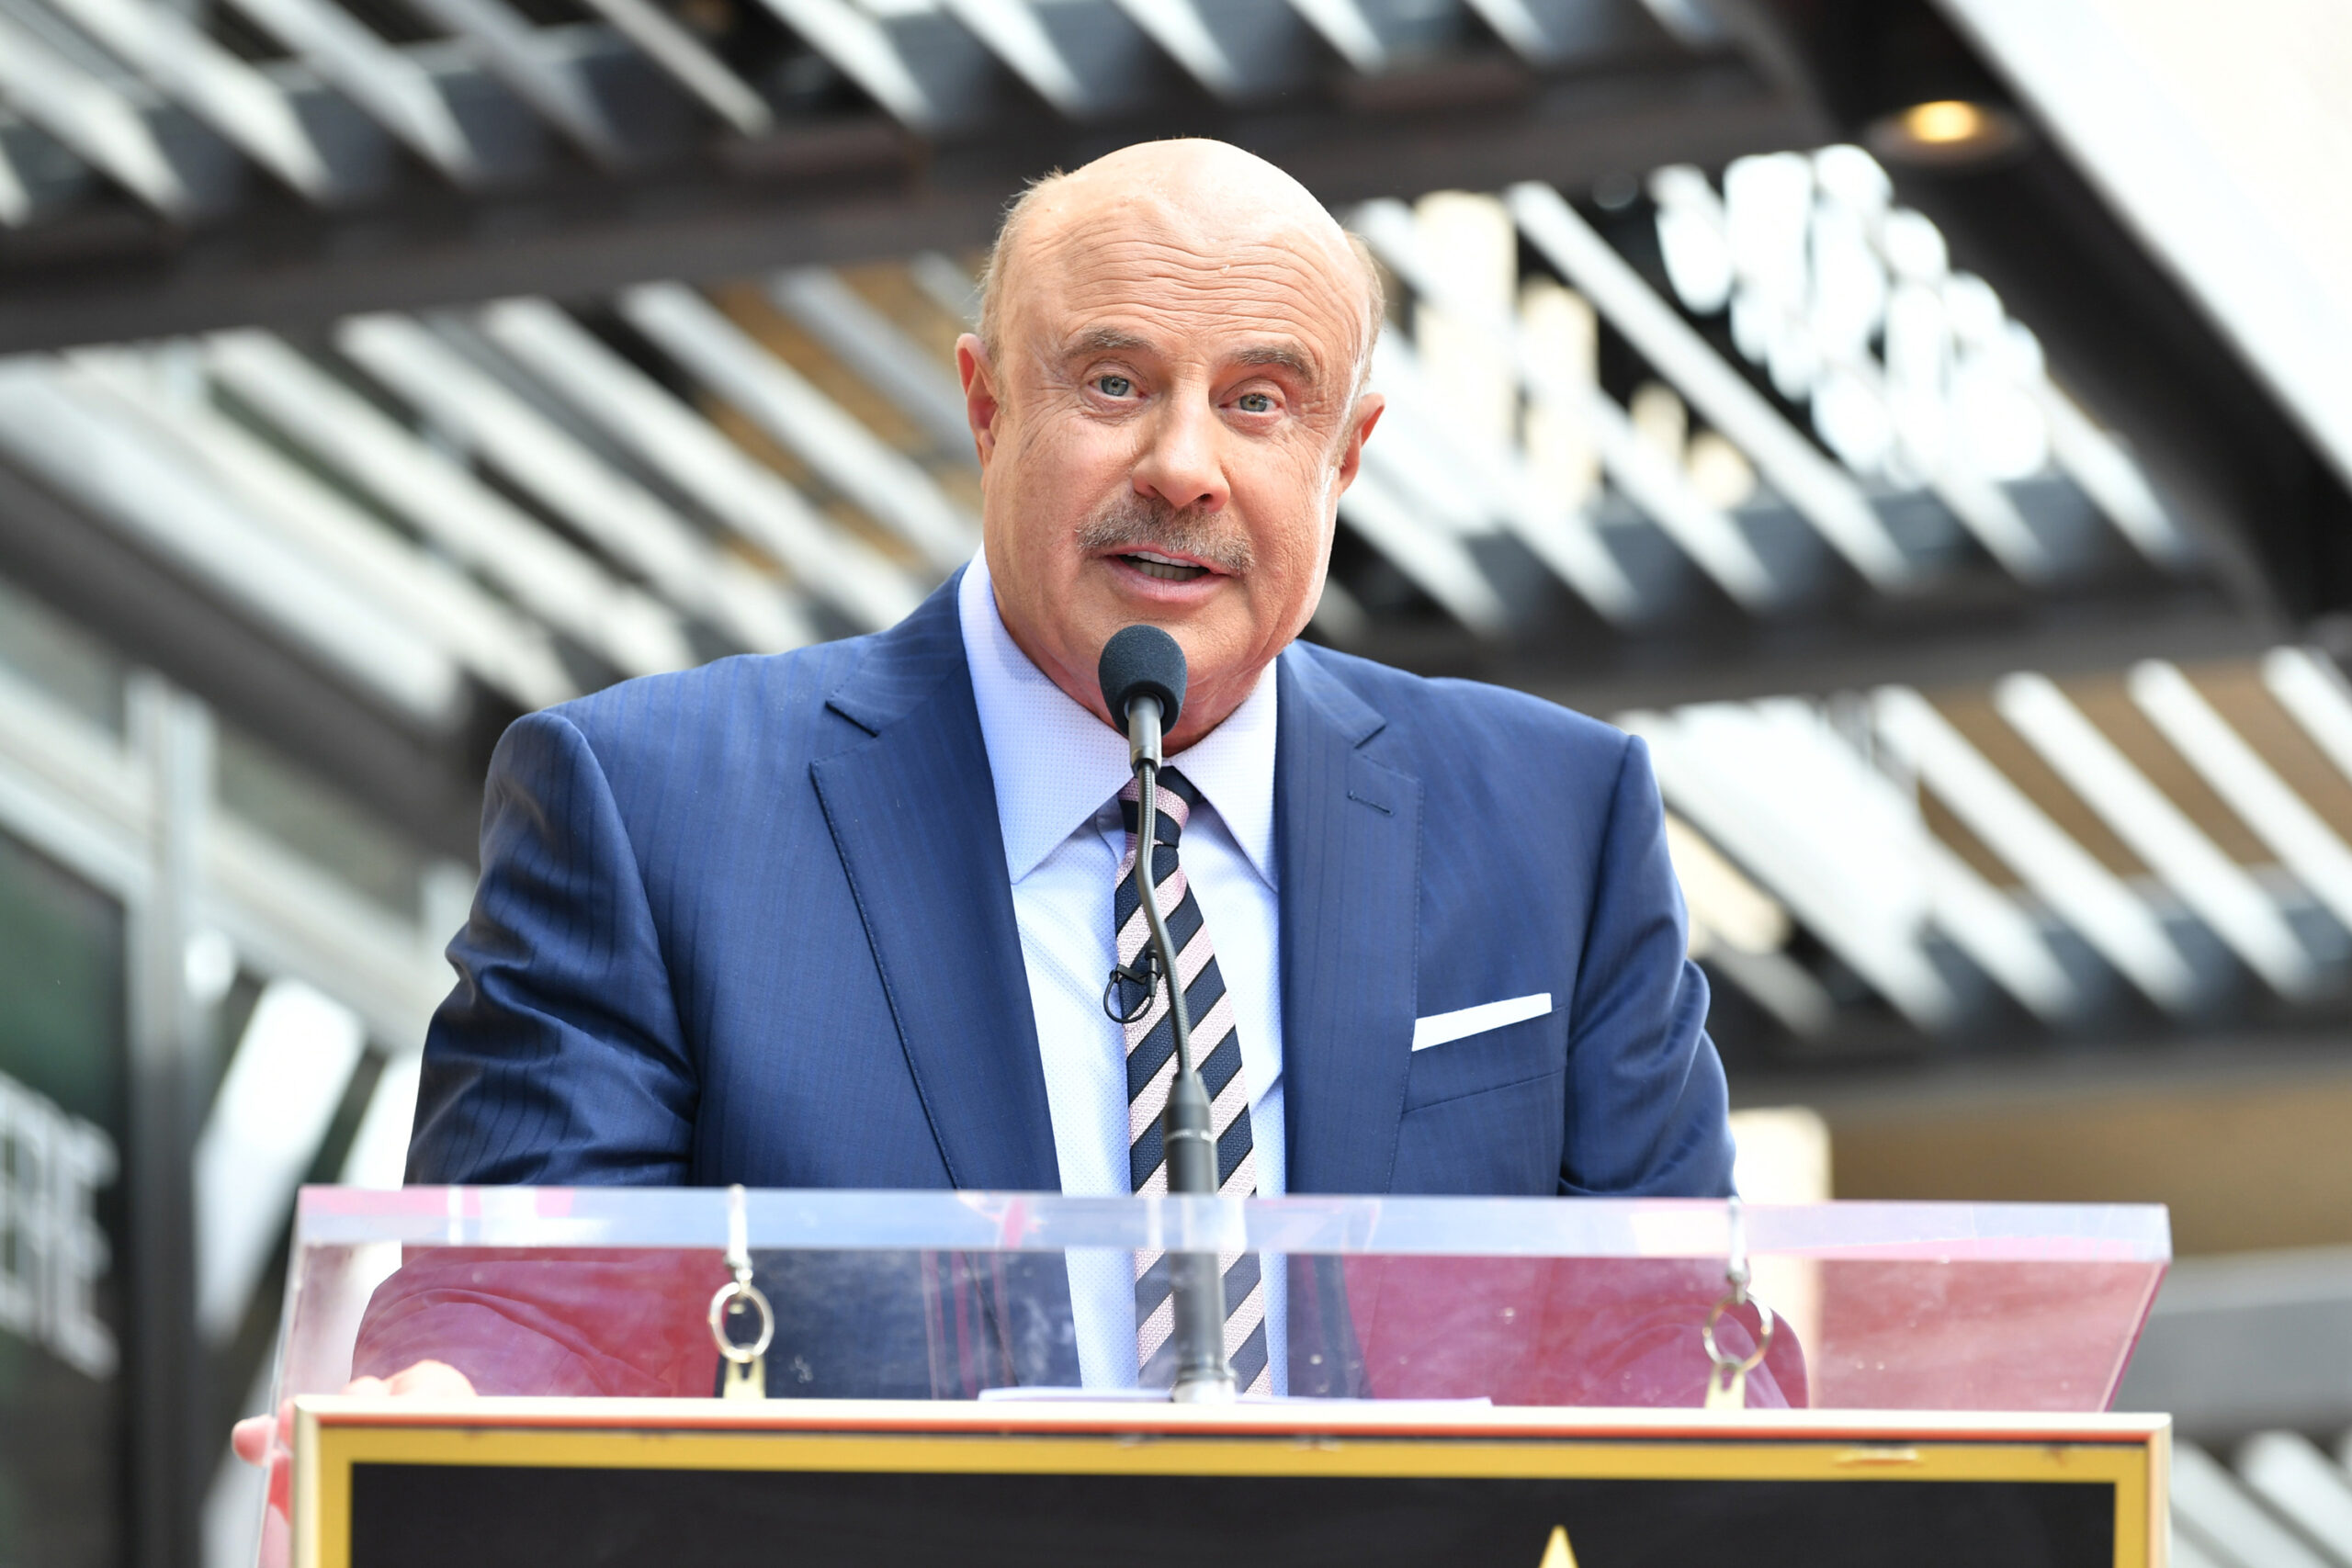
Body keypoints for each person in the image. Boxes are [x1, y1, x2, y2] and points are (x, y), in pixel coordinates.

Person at [243, 139, 1736, 1456]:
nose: (1185, 465)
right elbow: (528, 1303)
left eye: (1261, 401)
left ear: (1346, 454)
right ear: (984, 404)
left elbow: (1687, 1360)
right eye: (1112, 381)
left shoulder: (1561, 824)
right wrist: (450, 1402)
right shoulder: (651, 810)